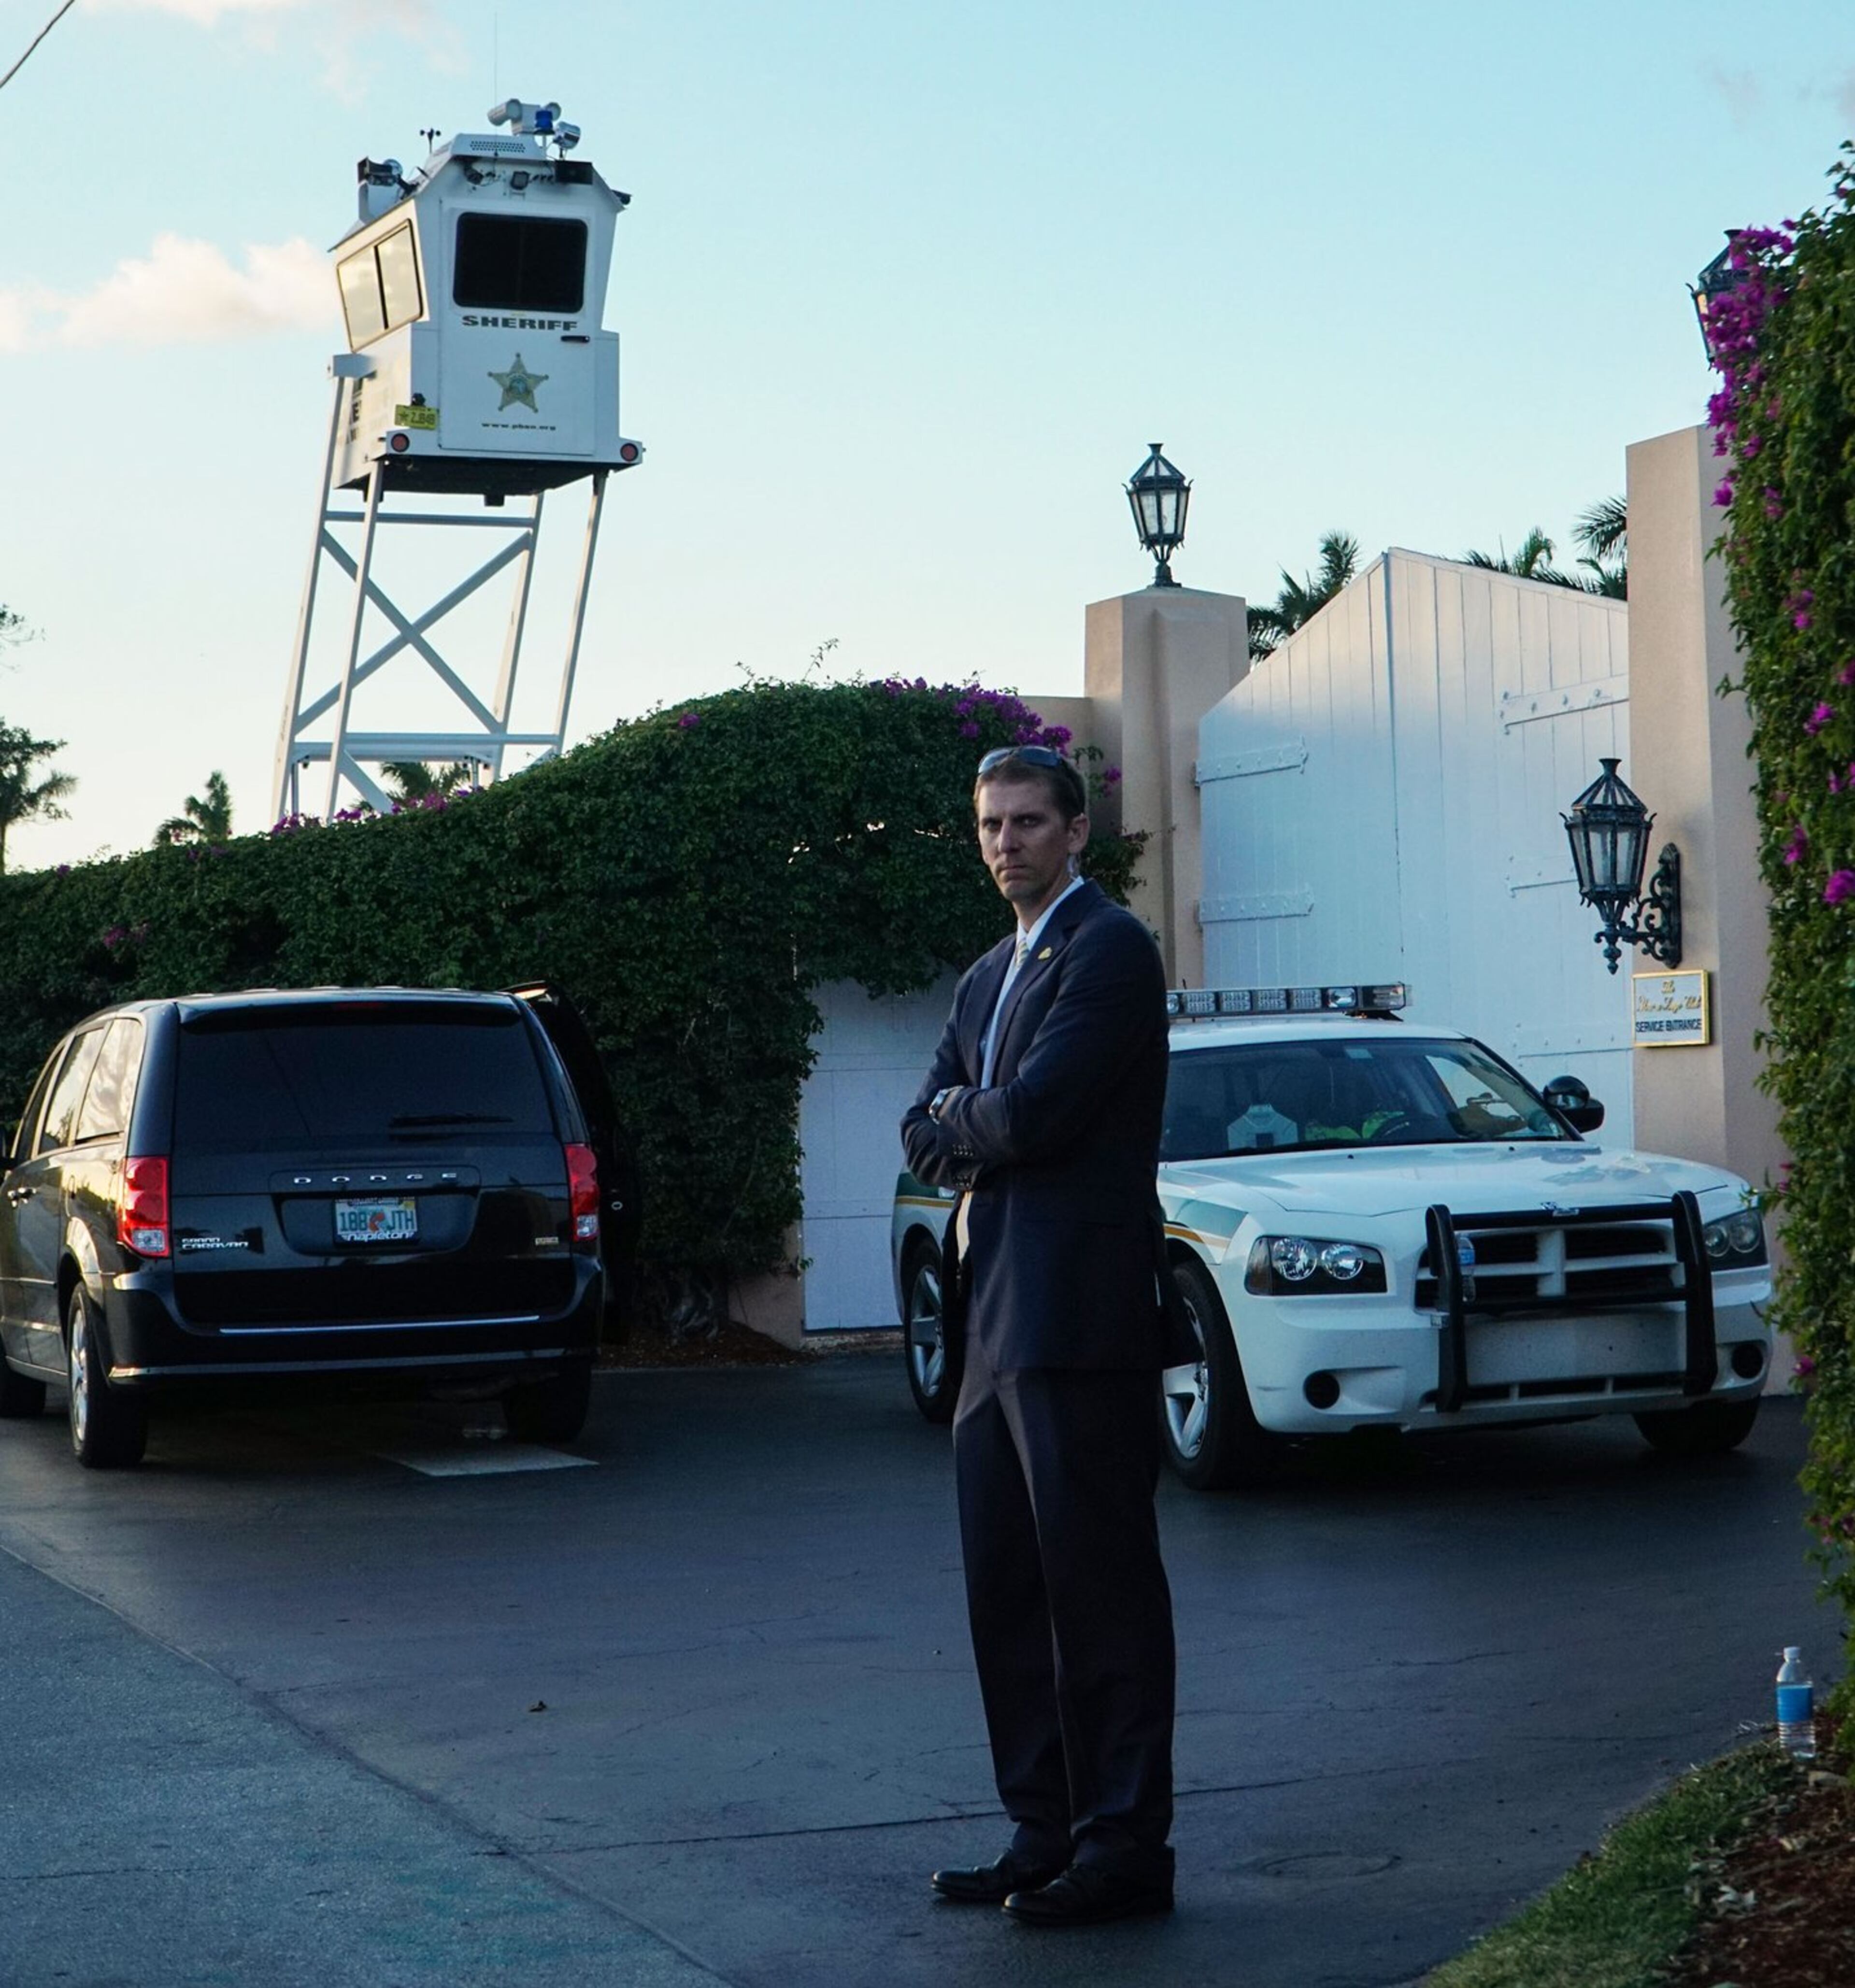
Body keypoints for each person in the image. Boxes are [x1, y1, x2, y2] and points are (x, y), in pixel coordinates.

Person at [899, 742, 1185, 1928]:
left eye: (1027, 822)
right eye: (989, 824)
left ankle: (1124, 1849)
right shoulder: (984, 977)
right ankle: (1044, 1830)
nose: (1005, 841)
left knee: (1099, 1594)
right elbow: (923, 1132)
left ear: (1076, 833)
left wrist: (973, 1118)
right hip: (990, 1336)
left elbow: (1042, 1113)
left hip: (1079, 1322)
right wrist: (978, 1121)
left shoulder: (1110, 950)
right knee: (1008, 1595)